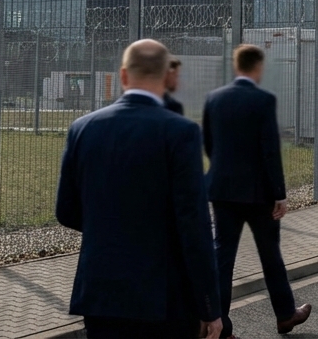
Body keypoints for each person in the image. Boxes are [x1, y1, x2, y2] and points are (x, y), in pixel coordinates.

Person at [56, 39, 222, 339]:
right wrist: (209, 306)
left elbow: (66, 210)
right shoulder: (181, 132)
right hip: (163, 294)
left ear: (123, 76)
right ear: (166, 77)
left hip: (101, 290)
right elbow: (194, 226)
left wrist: (111, 229)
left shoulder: (82, 127)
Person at [204, 45, 311, 338]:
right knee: (269, 254)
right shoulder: (263, 100)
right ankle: (285, 315)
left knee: (222, 257)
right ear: (257, 68)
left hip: (223, 191)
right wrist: (279, 192)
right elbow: (270, 150)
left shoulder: (214, 99)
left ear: (236, 66)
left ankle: (220, 325)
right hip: (259, 194)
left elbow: (209, 144)